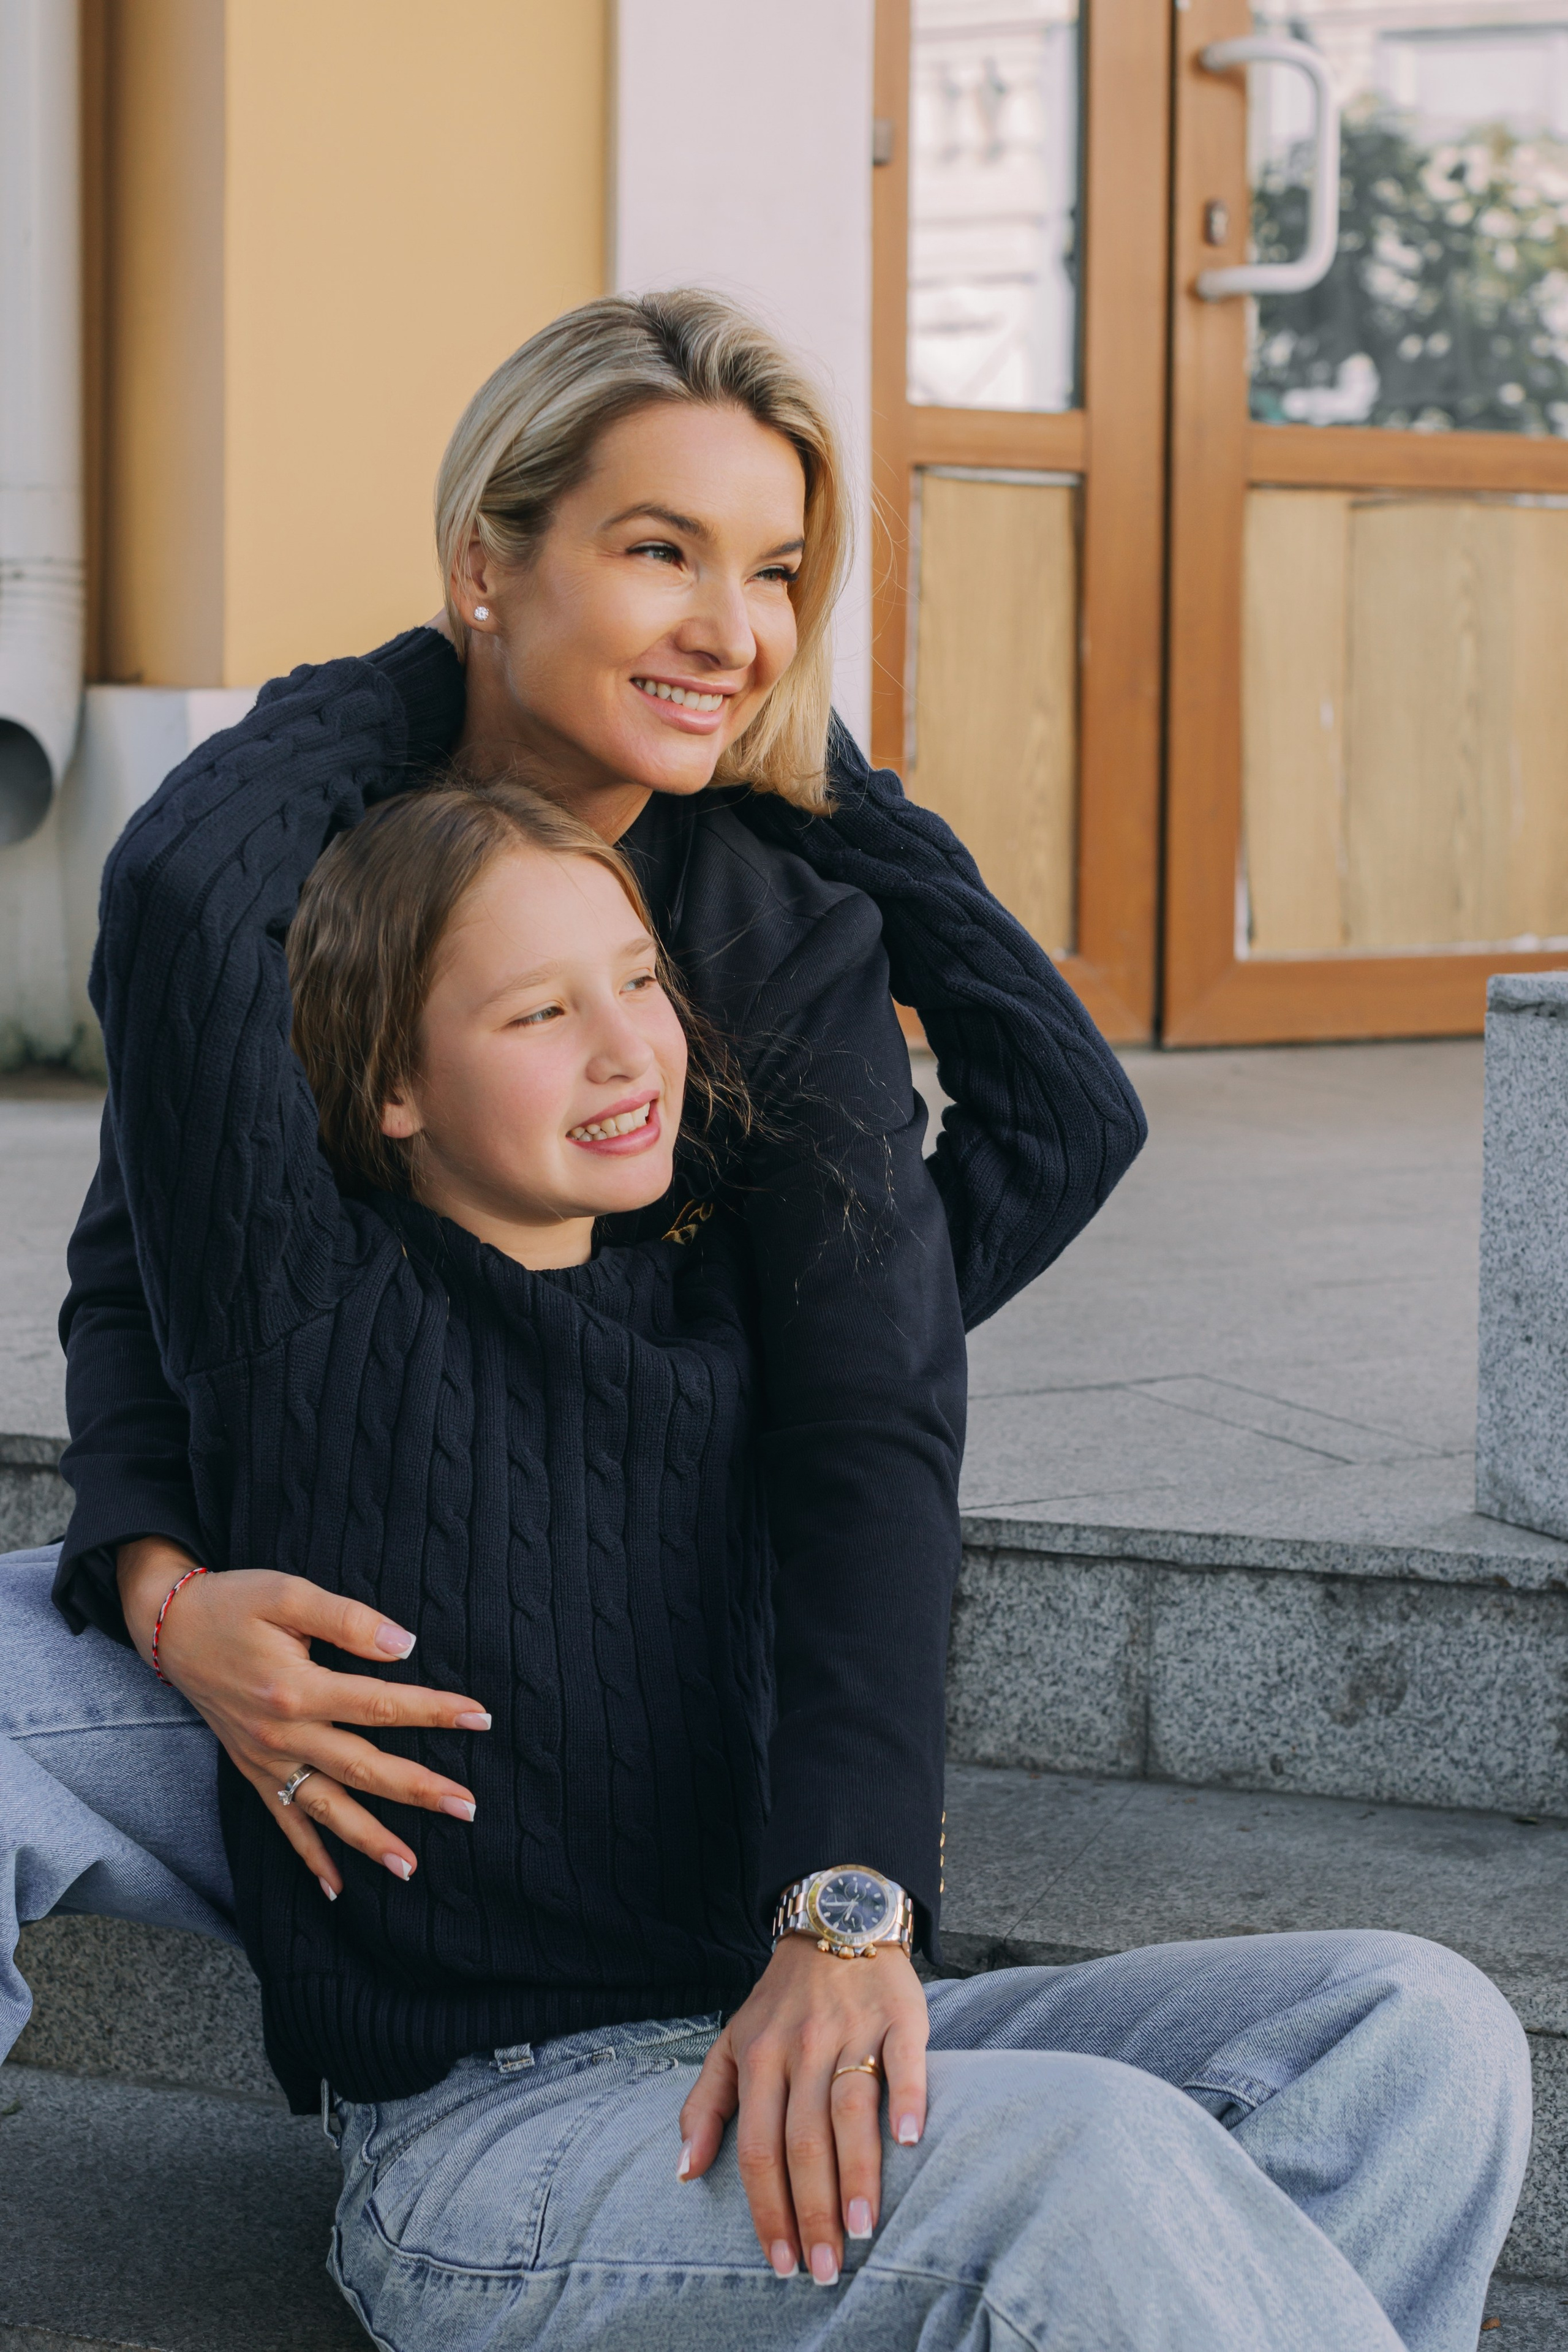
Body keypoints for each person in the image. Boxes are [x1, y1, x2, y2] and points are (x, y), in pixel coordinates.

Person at [0, 291, 1529, 2350]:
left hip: (664, 1804)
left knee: (1419, 2035)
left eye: (781, 572)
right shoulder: (313, 915)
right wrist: (170, 1587)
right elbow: (150, 1240)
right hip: (393, 1780)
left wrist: (849, 1898)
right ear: (488, 557)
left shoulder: (768, 934)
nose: (735, 620)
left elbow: (881, 1406)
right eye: (661, 550)